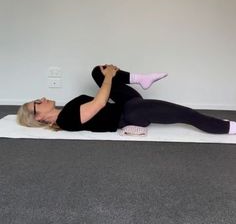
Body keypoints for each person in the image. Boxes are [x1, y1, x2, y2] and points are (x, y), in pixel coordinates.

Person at [17, 64, 236, 135]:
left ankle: (141, 79)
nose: (43, 98)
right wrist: (111, 76)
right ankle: (228, 127)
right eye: (38, 102)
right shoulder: (66, 120)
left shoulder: (65, 113)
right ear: (40, 117)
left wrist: (107, 75)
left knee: (96, 71)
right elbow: (100, 103)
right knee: (187, 114)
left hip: (126, 106)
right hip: (131, 113)